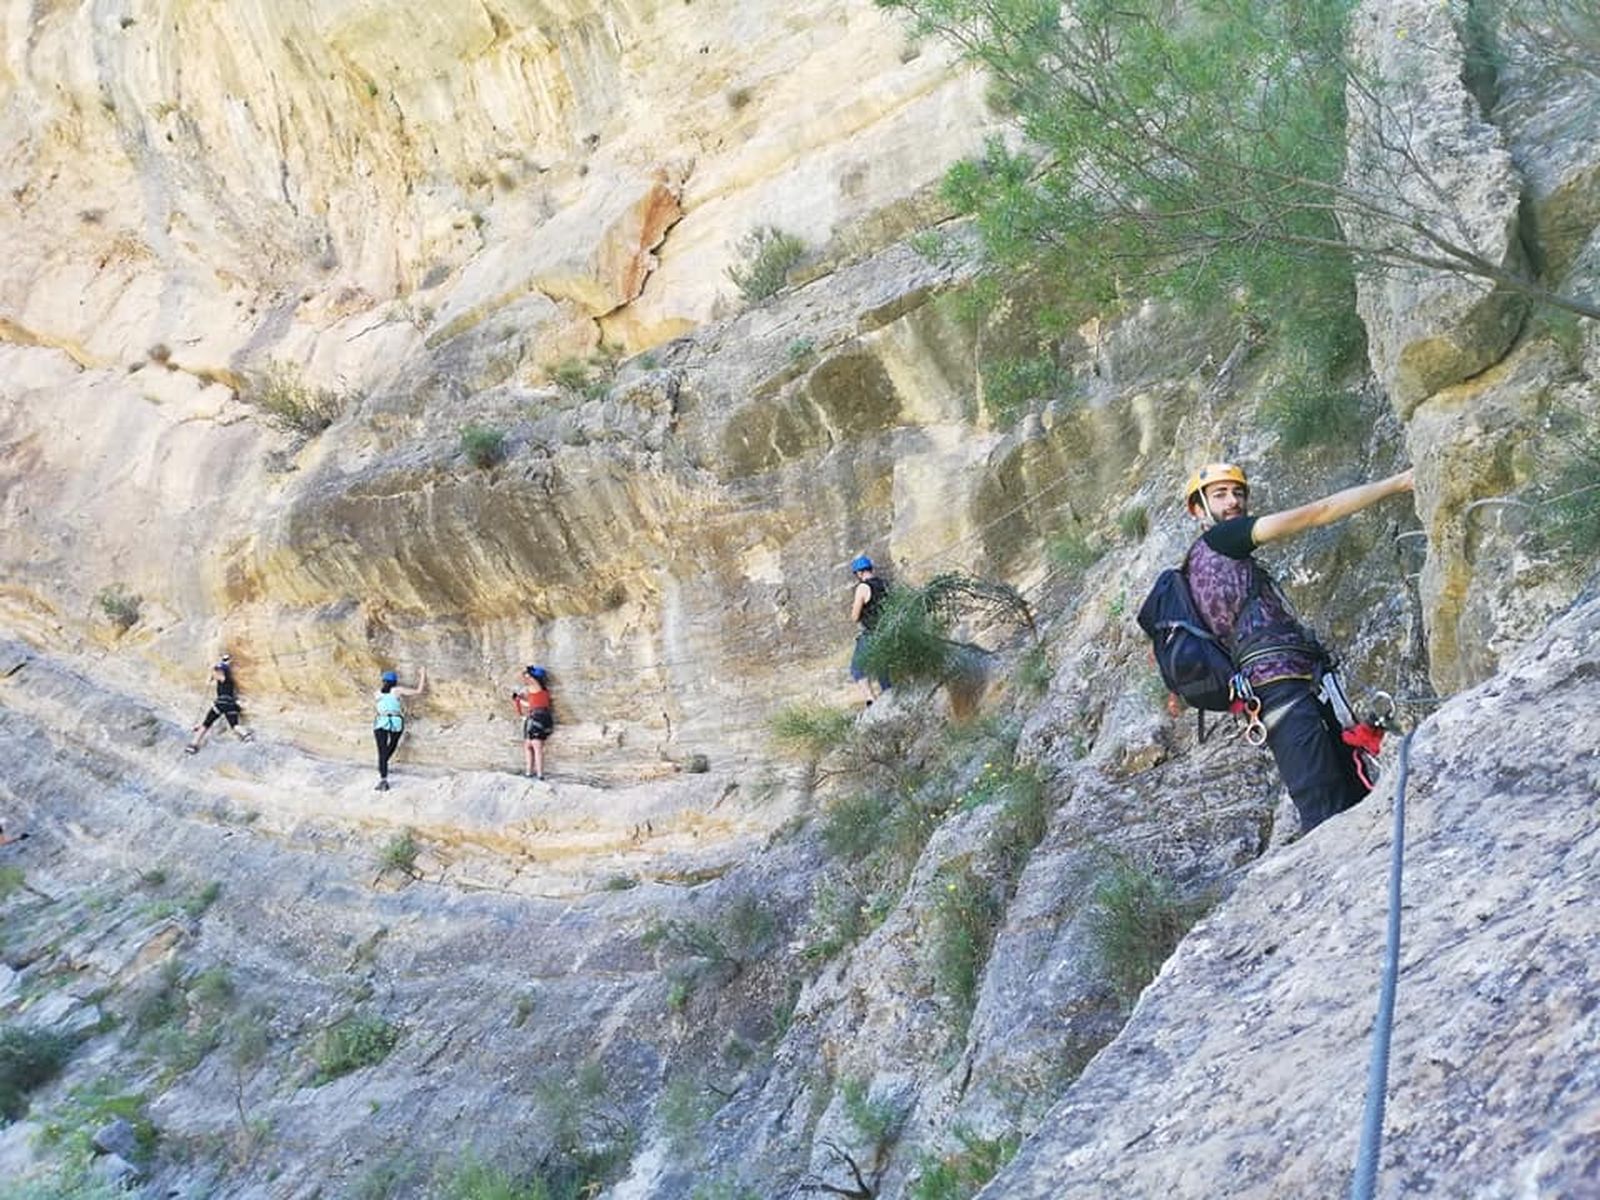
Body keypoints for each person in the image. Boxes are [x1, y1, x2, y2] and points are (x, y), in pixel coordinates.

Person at [1181, 461, 1414, 832]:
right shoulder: (1222, 540)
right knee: (1324, 810)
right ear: (1198, 509)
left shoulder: (1197, 564)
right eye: (1220, 495)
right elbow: (1319, 512)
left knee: (1346, 795)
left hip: (1288, 686)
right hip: (1280, 688)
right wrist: (1400, 482)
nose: (1233, 501)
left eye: (1238, 493)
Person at [373, 666, 426, 791]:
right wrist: (422, 674)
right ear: (395, 682)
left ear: (383, 681)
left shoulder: (376, 693)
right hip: (396, 721)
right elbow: (418, 691)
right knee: (392, 745)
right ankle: (383, 765)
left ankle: (383, 776)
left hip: (381, 722)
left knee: (382, 751)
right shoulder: (397, 690)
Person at [848, 555, 892, 706]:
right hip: (888, 631)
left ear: (859, 573)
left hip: (872, 633)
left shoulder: (862, 587)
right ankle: (890, 699)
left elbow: (854, 616)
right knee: (883, 669)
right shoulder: (885, 584)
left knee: (857, 668)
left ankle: (871, 700)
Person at [186, 655, 252, 754]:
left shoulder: (224, 679)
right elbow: (220, 670)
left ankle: (193, 744)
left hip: (221, 704)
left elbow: (216, 673)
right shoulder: (228, 680)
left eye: (218, 672)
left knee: (206, 724)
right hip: (231, 705)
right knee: (234, 725)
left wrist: (214, 672)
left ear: (223, 673)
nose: (216, 673)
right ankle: (246, 735)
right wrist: (224, 663)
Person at [511, 665, 554, 780]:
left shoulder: (535, 686)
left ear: (535, 678)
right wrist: (519, 700)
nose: (527, 678)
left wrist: (526, 671)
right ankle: (530, 772)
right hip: (537, 716)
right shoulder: (541, 691)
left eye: (529, 676)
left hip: (537, 717)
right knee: (529, 746)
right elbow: (532, 705)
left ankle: (538, 774)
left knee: (535, 746)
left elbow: (525, 679)